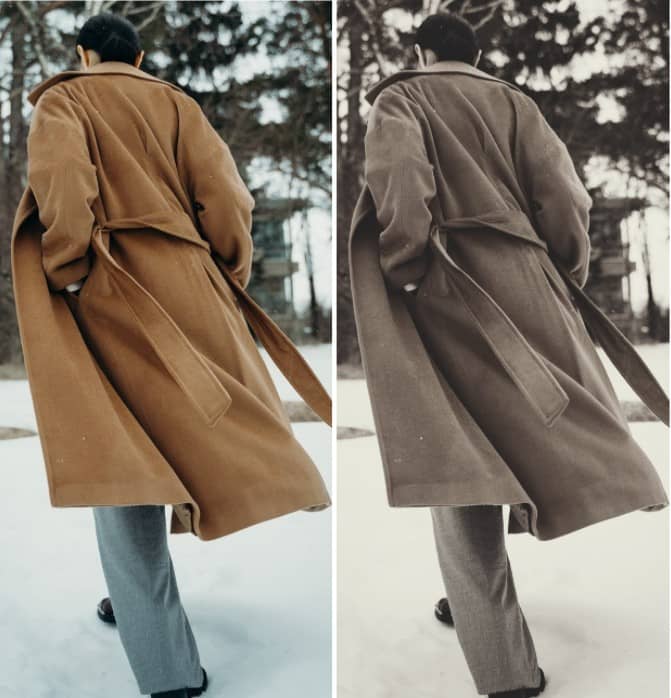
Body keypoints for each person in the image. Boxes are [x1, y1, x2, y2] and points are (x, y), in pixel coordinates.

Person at [348, 12, 668, 698]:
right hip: (527, 277)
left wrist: (405, 269)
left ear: (420, 49)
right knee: (529, 425)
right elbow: (565, 198)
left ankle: (502, 670)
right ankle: (476, 605)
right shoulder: (515, 102)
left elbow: (400, 184)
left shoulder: (400, 96)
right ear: (475, 53)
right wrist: (560, 275)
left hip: (444, 280)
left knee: (456, 458)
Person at [12, 12, 331, 698]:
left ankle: (166, 671)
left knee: (121, 455)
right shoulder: (176, 102)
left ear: (82, 52)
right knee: (182, 429)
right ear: (142, 53)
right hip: (190, 278)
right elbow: (228, 198)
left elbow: (64, 187)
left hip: (109, 280)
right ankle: (136, 605)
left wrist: (67, 268)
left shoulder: (64, 97)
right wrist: (222, 272)